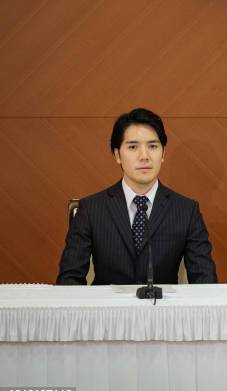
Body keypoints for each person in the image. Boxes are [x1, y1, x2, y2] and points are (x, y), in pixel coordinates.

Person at [57, 108, 217, 285]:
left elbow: (205, 282)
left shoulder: (186, 211)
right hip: (108, 311)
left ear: (163, 154)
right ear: (117, 155)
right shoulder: (91, 209)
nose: (144, 156)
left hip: (162, 310)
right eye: (133, 147)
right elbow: (69, 281)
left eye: (153, 146)